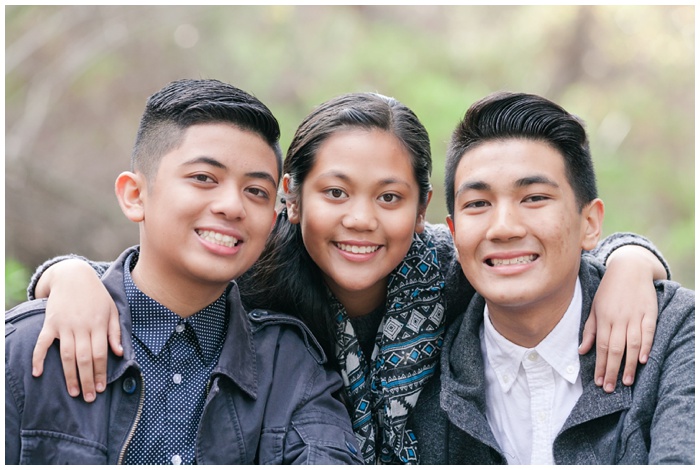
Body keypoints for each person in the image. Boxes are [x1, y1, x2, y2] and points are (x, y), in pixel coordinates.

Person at [24, 93, 669, 464]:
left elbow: (538, 252)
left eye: (390, 198)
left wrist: (631, 262)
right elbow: (159, 270)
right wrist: (69, 274)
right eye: (335, 192)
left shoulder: (457, 270)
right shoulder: (255, 272)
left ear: (423, 211)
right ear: (290, 199)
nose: (361, 220)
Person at [5, 79, 363, 465]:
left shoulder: (290, 366)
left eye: (256, 191)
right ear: (135, 195)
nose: (232, 206)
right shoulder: (29, 346)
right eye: (203, 178)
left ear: (273, 218)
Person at [411, 91, 694, 464]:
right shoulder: (415, 363)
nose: (504, 228)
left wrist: (630, 259)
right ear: (453, 232)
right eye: (478, 204)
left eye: (534, 198)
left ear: (589, 223)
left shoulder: (676, 332)